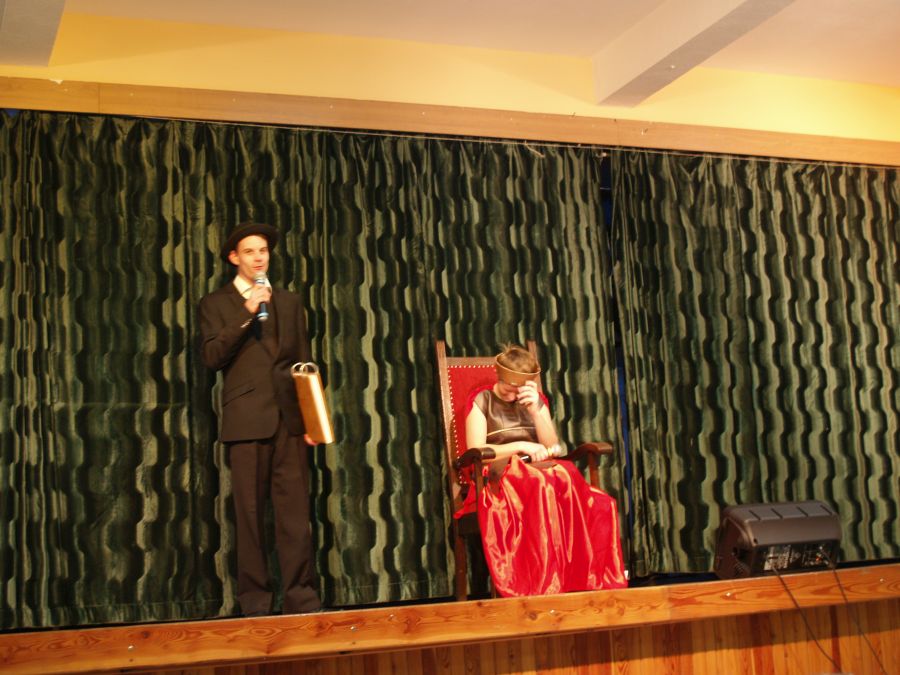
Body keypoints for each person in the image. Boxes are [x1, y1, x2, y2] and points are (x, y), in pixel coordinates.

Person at [199, 221, 320, 616]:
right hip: (246, 420)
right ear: (234, 257)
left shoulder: (289, 302)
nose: (258, 258)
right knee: (249, 518)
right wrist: (247, 313)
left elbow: (304, 363)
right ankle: (255, 604)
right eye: (250, 251)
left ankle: (302, 599)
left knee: (295, 516)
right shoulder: (215, 304)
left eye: (263, 251)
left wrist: (312, 419)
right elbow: (212, 357)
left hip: (289, 421)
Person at [463, 344, 628, 597]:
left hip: (535, 468)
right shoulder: (481, 401)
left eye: (520, 388)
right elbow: (476, 450)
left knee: (566, 473)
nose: (514, 393)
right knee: (541, 483)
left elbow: (553, 448)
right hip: (498, 472)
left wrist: (536, 411)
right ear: (499, 376)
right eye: (509, 387)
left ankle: (577, 578)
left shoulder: (534, 401)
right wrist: (521, 446)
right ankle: (545, 584)